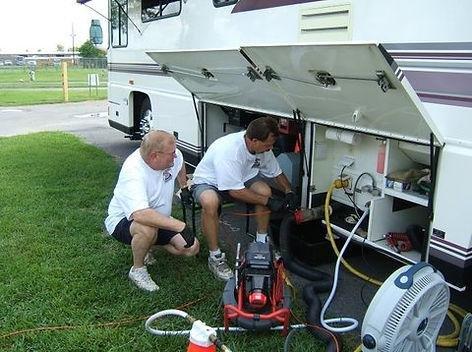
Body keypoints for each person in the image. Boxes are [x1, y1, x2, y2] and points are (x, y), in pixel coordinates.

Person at [191, 116, 296, 281]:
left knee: (264, 191)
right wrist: (269, 202)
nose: (270, 148)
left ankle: (262, 242)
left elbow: (277, 173)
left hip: (240, 179)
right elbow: (235, 192)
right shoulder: (230, 151)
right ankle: (215, 256)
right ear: (253, 141)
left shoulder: (263, 148)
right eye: (268, 145)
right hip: (210, 181)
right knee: (210, 202)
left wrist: (289, 191)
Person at [105, 130, 199, 292]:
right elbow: (140, 214)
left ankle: (147, 246)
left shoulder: (171, 157)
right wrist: (180, 225)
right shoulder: (133, 171)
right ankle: (138, 270)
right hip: (124, 220)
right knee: (147, 228)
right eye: (171, 154)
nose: (175, 156)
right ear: (155, 156)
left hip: (158, 217)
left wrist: (183, 186)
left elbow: (180, 161)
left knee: (191, 247)